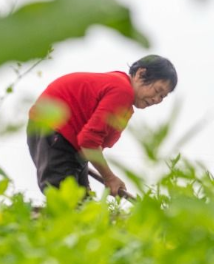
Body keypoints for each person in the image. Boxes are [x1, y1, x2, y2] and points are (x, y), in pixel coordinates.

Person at [27, 54, 177, 197]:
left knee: (83, 203)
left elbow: (89, 145)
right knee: (67, 202)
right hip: (54, 129)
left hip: (68, 141)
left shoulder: (122, 95)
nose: (157, 99)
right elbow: (89, 141)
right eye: (158, 90)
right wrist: (109, 177)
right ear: (140, 74)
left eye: (163, 96)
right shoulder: (122, 90)